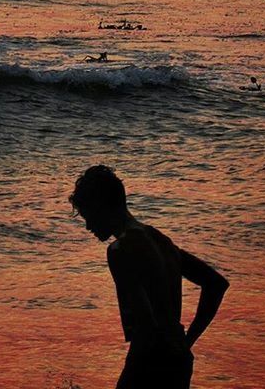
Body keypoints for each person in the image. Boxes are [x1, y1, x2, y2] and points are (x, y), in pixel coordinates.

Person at [70, 165, 229, 388]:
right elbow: (215, 284)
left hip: (151, 362)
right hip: (180, 361)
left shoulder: (120, 250)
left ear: (103, 207)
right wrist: (186, 342)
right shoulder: (161, 240)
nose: (88, 226)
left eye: (90, 216)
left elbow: (145, 324)